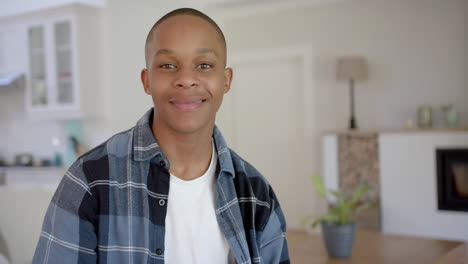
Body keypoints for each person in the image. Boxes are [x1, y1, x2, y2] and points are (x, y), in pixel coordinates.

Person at [33, 7, 289, 264]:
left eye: (204, 65)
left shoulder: (256, 194)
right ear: (147, 80)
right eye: (167, 65)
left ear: (225, 80)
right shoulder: (89, 180)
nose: (186, 79)